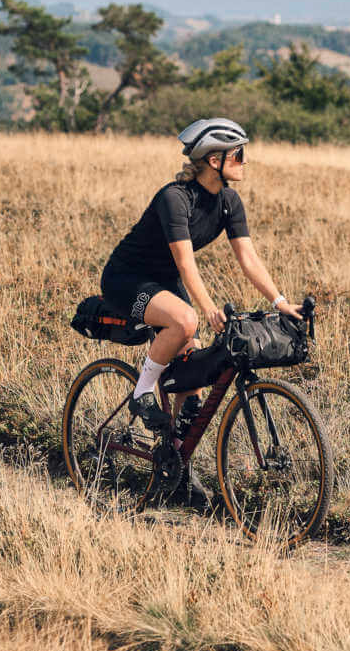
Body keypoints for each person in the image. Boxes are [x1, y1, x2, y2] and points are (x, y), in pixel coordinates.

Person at [99, 117, 302, 496]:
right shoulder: (174, 198)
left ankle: (176, 472)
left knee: (188, 383)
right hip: (127, 279)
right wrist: (208, 308)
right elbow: (185, 261)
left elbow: (248, 258)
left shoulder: (228, 201)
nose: (244, 160)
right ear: (213, 160)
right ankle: (141, 393)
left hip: (165, 283)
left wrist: (279, 301)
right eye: (238, 154)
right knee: (186, 320)